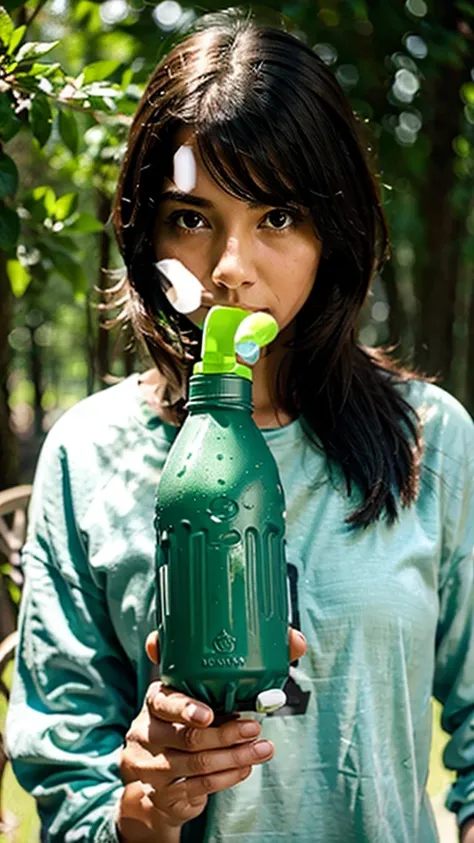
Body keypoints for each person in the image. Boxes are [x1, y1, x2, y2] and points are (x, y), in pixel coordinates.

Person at [6, 7, 474, 843]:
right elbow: (65, 770)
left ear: (333, 231)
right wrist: (143, 807)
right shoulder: (88, 453)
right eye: (191, 218)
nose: (230, 269)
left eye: (278, 217)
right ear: (143, 231)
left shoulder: (429, 440)